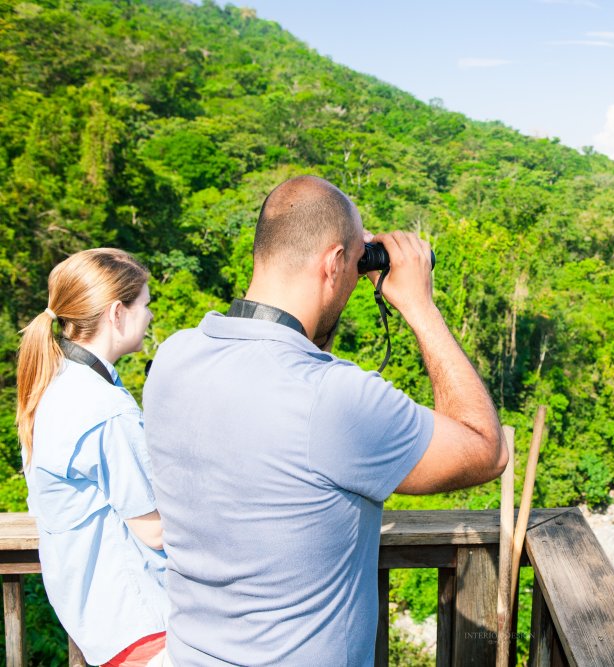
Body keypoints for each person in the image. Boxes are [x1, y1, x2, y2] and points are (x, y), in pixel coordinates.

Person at [143, 175, 506, 665]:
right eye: (355, 266)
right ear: (335, 263)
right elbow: (487, 449)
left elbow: (281, 360)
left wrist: (338, 270)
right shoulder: (334, 399)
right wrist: (420, 305)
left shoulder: (173, 359)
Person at [15, 248, 169, 667]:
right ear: (117, 313)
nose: (150, 315)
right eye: (145, 304)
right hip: (141, 623)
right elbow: (153, 530)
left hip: (102, 623)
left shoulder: (54, 385)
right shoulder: (103, 409)